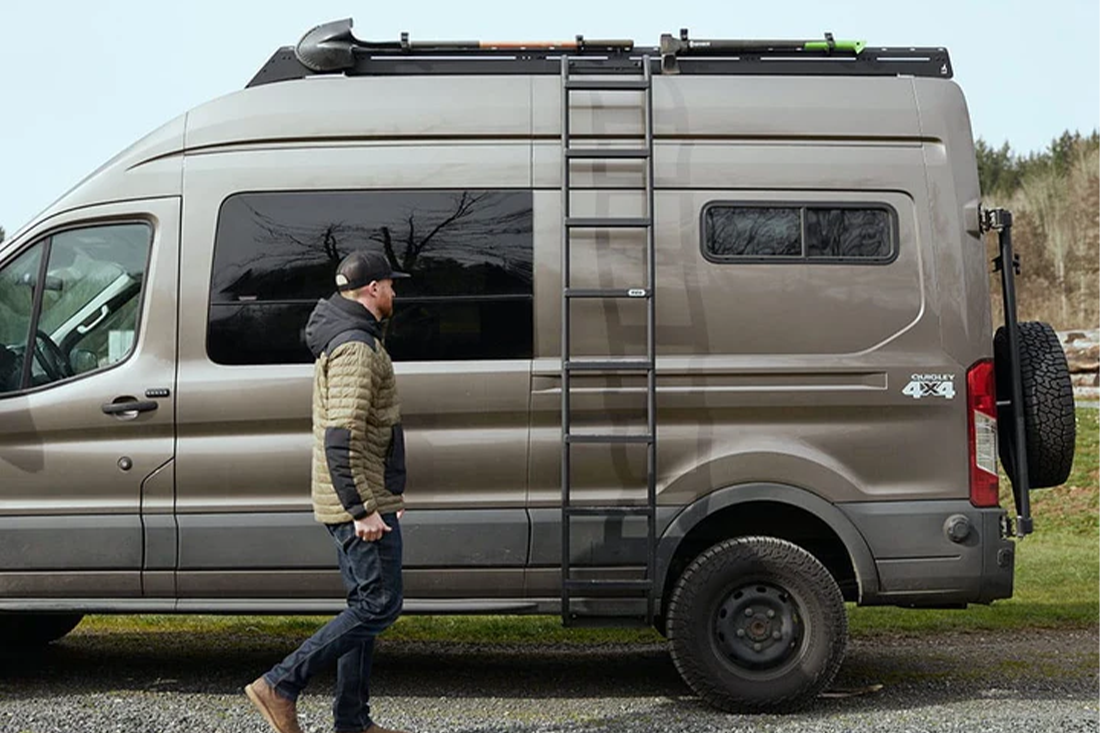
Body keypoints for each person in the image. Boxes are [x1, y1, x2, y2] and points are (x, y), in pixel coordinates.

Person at [246, 249, 410, 733]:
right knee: (379, 605)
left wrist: (386, 497)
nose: (395, 293)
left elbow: (367, 431)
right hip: (356, 502)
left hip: (366, 495)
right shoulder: (356, 347)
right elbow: (342, 436)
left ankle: (352, 722)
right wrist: (363, 508)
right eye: (391, 285)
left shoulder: (352, 339)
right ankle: (280, 684)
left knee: (365, 603)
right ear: (373, 289)